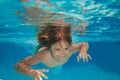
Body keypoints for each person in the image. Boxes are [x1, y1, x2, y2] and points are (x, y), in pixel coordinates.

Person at [14, 22, 92, 80]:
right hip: (42, 49)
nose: (63, 53)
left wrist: (83, 51)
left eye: (66, 48)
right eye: (57, 49)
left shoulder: (71, 48)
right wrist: (31, 72)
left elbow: (84, 44)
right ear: (50, 47)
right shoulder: (43, 55)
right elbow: (18, 65)